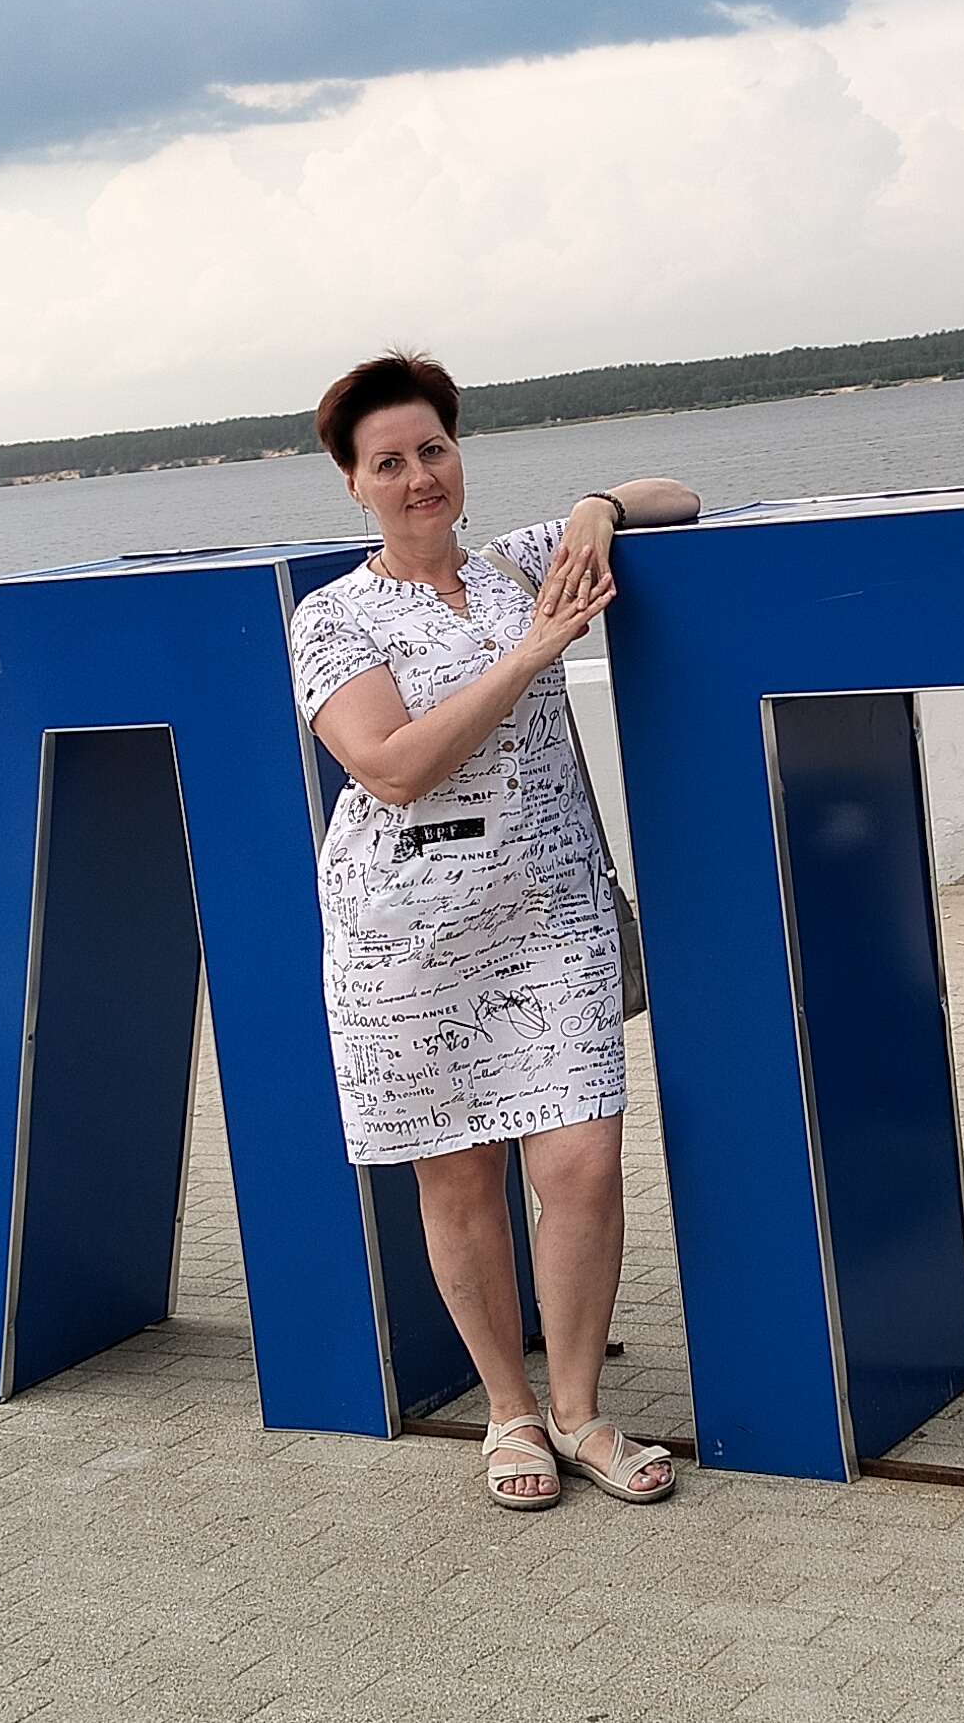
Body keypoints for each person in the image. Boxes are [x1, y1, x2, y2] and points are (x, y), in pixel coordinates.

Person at [286, 351, 700, 1507]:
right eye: (388, 462)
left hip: (551, 911)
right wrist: (530, 654)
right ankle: (508, 1410)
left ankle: (578, 1408)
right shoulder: (334, 617)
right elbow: (390, 765)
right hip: (407, 935)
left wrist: (595, 508)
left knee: (582, 1161)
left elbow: (680, 496)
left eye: (433, 448)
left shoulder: (525, 561)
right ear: (352, 483)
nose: (418, 475)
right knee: (460, 1174)